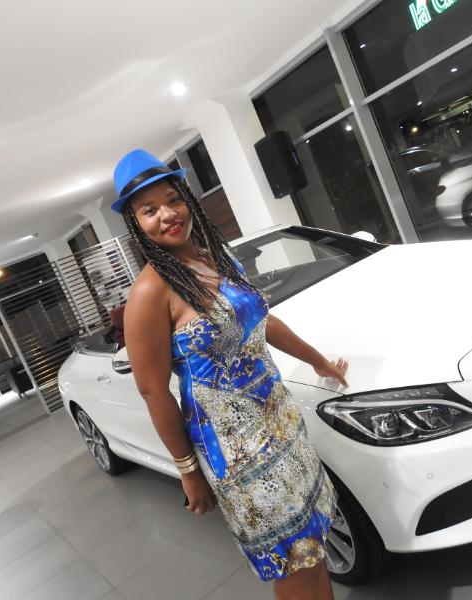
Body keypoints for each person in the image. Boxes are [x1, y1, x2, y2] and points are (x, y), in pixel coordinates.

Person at [112, 149, 349, 600]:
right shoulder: (148, 293)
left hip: (281, 423)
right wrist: (188, 471)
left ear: (188, 200)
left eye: (173, 199)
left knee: (313, 547)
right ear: (135, 223)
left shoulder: (217, 258)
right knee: (292, 563)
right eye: (149, 210)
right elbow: (152, 391)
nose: (167, 215)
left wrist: (317, 360)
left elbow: (263, 321)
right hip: (238, 455)